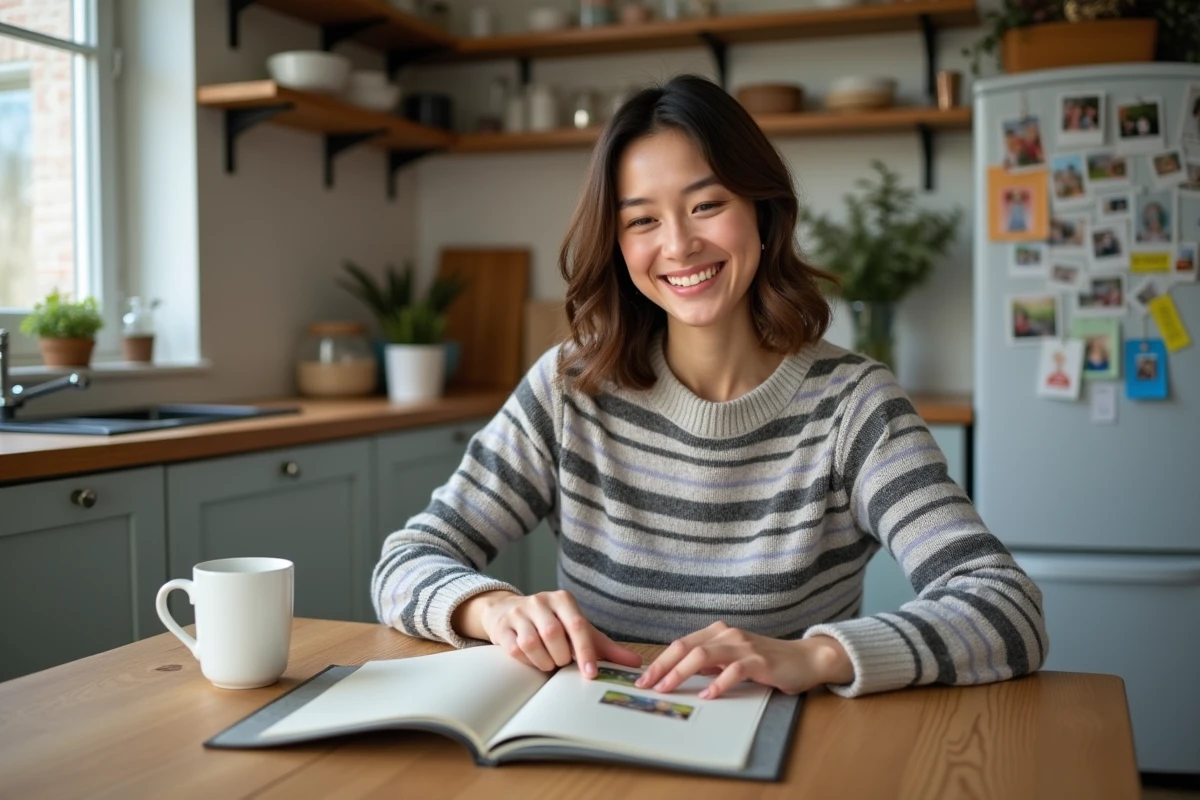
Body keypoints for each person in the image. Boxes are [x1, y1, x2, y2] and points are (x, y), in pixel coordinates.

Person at [372, 75, 1047, 701]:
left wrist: (814, 657)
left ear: (762, 210)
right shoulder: (567, 389)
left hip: (788, 754)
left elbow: (1007, 607)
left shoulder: (853, 406)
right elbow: (406, 562)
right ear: (616, 241)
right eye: (642, 220)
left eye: (707, 205)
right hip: (597, 741)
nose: (678, 245)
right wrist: (493, 609)